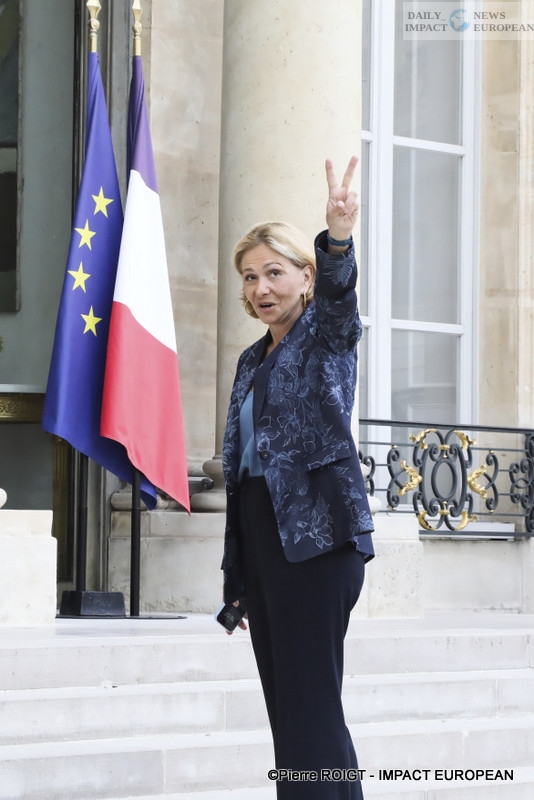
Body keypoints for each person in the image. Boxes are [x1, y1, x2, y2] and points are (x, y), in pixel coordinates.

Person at [221, 157, 375, 800]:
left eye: (274, 273)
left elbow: (341, 299)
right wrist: (240, 578)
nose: (261, 288)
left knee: (310, 710)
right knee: (289, 713)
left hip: (318, 539)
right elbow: (241, 472)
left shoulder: (326, 335)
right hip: (263, 537)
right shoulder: (252, 358)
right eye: (251, 277)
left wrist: (337, 236)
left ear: (305, 277)